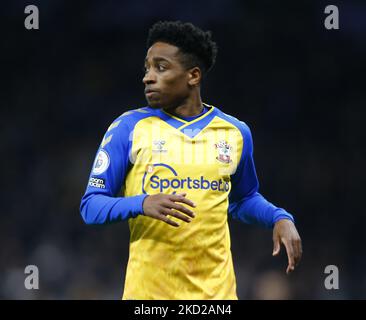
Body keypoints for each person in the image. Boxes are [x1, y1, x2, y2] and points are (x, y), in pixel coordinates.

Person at [80, 20, 302, 300]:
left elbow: (242, 199)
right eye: (147, 68)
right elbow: (91, 206)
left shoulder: (235, 133)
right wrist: (142, 203)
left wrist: (278, 218)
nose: (148, 77)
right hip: (149, 299)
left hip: (217, 299)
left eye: (160, 67)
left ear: (193, 76)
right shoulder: (129, 128)